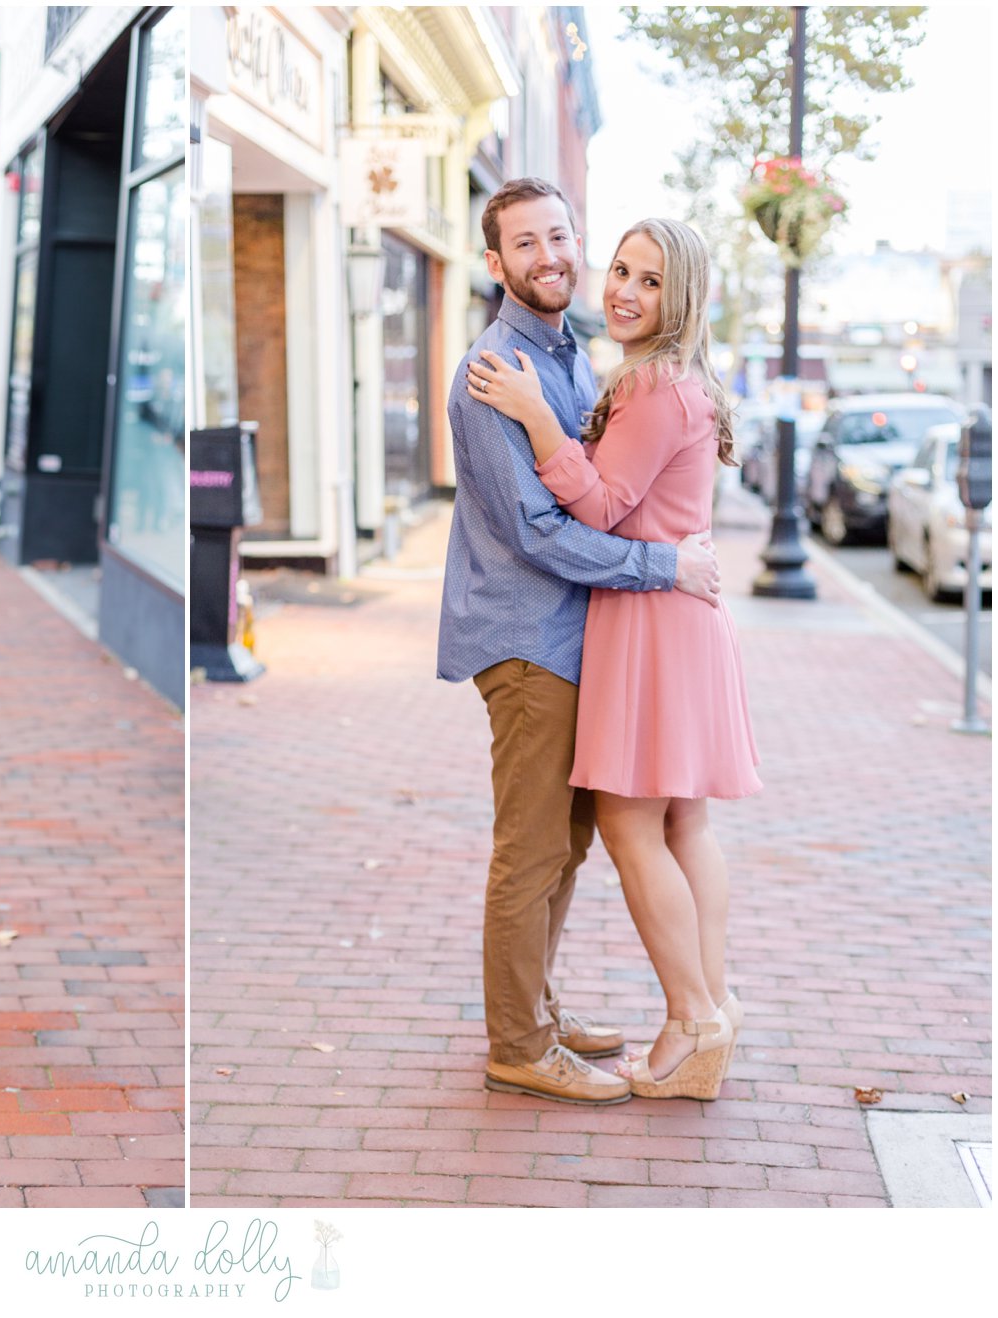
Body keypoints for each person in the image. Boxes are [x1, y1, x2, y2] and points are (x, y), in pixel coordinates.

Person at [437, 177, 723, 1107]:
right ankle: (517, 1043)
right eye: (525, 245)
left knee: (565, 842)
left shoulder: (567, 358)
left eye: (559, 236)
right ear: (495, 263)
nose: (549, 257)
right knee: (531, 848)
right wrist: (664, 568)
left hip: (577, 634)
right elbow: (539, 531)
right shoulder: (493, 374)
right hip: (528, 639)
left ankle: (538, 1010)